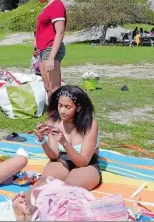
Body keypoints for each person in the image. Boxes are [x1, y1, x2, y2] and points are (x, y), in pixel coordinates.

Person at [12, 86, 101, 220]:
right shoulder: (54, 121)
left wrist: (65, 143)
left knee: (66, 188)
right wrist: (42, 140)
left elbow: (82, 162)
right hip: (62, 159)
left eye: (67, 107)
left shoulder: (90, 124)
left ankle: (39, 212)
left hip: (86, 164)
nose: (62, 111)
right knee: (44, 182)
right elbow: (54, 155)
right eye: (60, 105)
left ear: (78, 108)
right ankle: (25, 206)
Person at [31, 0, 66, 100]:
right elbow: (41, 29)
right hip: (43, 50)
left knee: (54, 88)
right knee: (47, 86)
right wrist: (36, 43)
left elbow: (60, 32)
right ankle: (51, 116)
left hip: (51, 49)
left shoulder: (56, 5)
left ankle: (58, 117)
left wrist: (51, 57)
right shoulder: (48, 7)